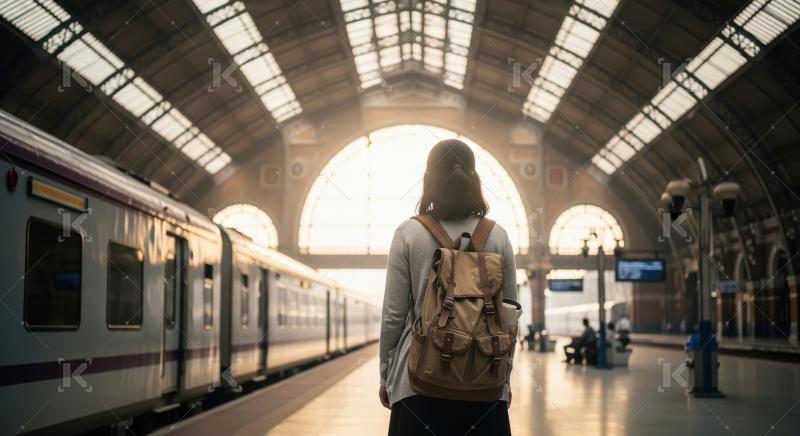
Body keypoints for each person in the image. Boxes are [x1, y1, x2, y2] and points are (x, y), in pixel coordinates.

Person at [378, 139, 517, 436]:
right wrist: (504, 380)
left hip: (416, 384)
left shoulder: (408, 233)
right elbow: (509, 318)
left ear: (428, 180)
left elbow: (393, 315)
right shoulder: (498, 236)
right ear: (475, 179)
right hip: (484, 386)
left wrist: (387, 376)